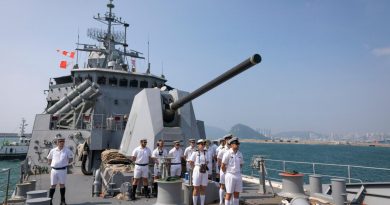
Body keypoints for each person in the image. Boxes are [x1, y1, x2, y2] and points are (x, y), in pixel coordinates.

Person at [47, 134, 73, 205]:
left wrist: (65, 162)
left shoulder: (67, 150)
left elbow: (71, 159)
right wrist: (51, 163)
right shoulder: (53, 150)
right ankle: (50, 201)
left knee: (62, 185)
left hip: (62, 170)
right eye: (60, 141)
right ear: (57, 142)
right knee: (52, 185)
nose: (62, 142)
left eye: (63, 141)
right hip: (54, 170)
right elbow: (49, 158)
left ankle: (62, 201)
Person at [221, 137, 244, 205]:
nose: (237, 145)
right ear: (231, 145)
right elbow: (223, 165)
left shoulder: (240, 154)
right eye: (236, 144)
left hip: (238, 175)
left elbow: (241, 164)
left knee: (237, 193)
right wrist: (227, 173)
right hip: (230, 175)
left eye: (238, 144)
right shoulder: (227, 153)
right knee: (229, 193)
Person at [189, 139, 209, 205]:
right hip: (197, 169)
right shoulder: (195, 153)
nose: (203, 145)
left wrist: (204, 165)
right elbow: (191, 162)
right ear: (198, 145)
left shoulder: (206, 152)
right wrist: (194, 168)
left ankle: (202, 204)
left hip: (204, 169)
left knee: (203, 188)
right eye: (201, 144)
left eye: (204, 144)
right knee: (196, 188)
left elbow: (208, 161)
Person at [217, 134, 233, 205]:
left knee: (231, 186)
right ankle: (221, 201)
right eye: (228, 139)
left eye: (230, 138)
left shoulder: (233, 149)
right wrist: (223, 168)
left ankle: (231, 202)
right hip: (223, 170)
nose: (229, 140)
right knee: (222, 185)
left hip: (231, 171)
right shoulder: (222, 150)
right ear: (225, 140)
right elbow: (218, 160)